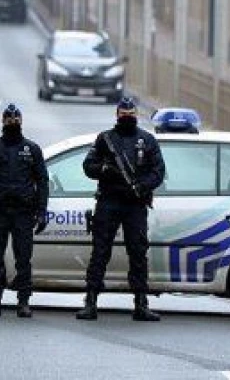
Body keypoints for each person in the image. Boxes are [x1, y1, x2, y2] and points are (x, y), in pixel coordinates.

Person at [76, 97, 166, 322]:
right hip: (109, 201)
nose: (127, 116)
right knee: (100, 252)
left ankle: (141, 304)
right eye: (123, 113)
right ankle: (91, 302)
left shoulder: (147, 140)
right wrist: (104, 169)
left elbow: (158, 171)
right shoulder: (106, 139)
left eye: (130, 113)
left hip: (135, 205)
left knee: (138, 253)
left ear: (135, 115)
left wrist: (141, 187)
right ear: (117, 115)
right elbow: (88, 166)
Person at [0, 103, 49, 318]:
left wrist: (42, 211)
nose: (12, 123)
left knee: (23, 259)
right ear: (2, 122)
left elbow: (42, 182)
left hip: (23, 212)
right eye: (9, 120)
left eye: (16, 120)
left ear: (21, 122)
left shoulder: (31, 149)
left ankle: (23, 301)